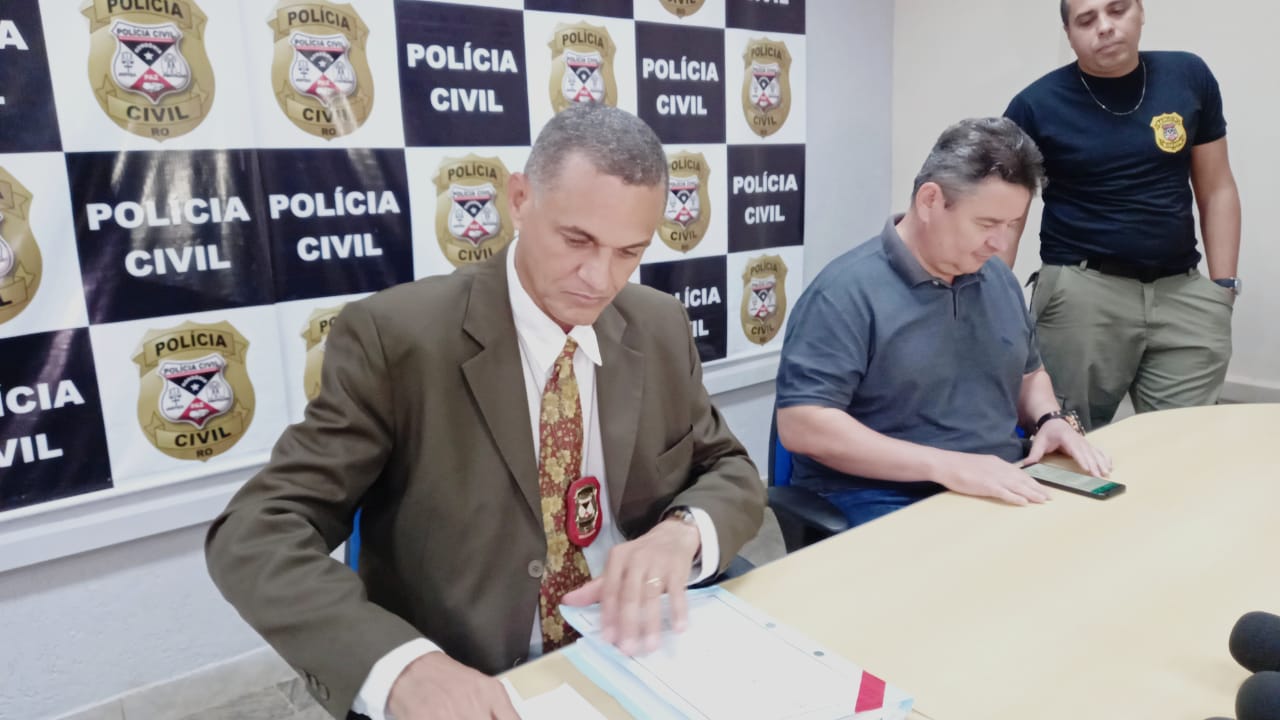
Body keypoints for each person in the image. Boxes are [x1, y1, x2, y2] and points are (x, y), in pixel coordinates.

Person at [205, 103, 765, 720]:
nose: (599, 279)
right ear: (519, 200)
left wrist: (683, 531)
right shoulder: (397, 338)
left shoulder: (657, 324)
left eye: (629, 251)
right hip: (477, 678)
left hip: (635, 653)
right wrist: (400, 667)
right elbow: (256, 529)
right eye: (577, 240)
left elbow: (730, 468)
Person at [775, 117, 1111, 529]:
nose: (1001, 243)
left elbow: (1029, 373)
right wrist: (947, 465)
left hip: (997, 478)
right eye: (986, 224)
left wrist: (1048, 418)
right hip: (881, 494)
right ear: (930, 201)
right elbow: (803, 425)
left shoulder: (997, 278)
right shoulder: (844, 293)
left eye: (1011, 225)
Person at [1004, 0, 1242, 430]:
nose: (1105, 27)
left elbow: (1217, 186)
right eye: (1087, 19)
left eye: (1117, 10)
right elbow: (1006, 217)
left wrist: (1222, 288)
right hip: (1083, 295)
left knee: (1185, 444)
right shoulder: (1035, 106)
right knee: (1067, 440)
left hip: (1184, 293)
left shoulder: (1188, 76)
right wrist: (993, 306)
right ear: (1069, 33)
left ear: (1141, 11)